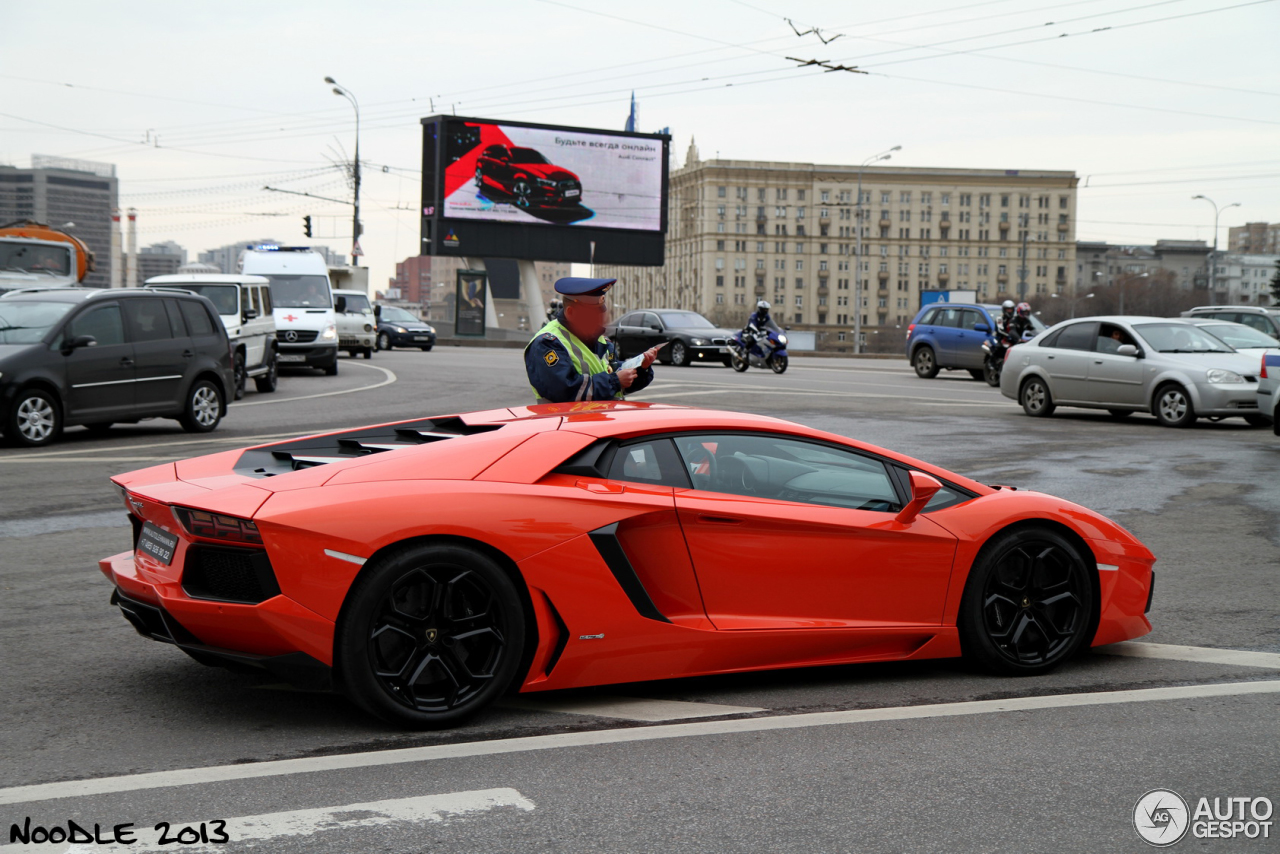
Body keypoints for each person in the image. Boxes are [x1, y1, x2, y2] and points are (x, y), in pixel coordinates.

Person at [524, 277, 659, 404]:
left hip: (600, 423)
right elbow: (564, 391)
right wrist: (615, 381)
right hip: (566, 425)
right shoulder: (547, 343)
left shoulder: (601, 340)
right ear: (571, 312)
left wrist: (640, 368)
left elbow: (619, 380)